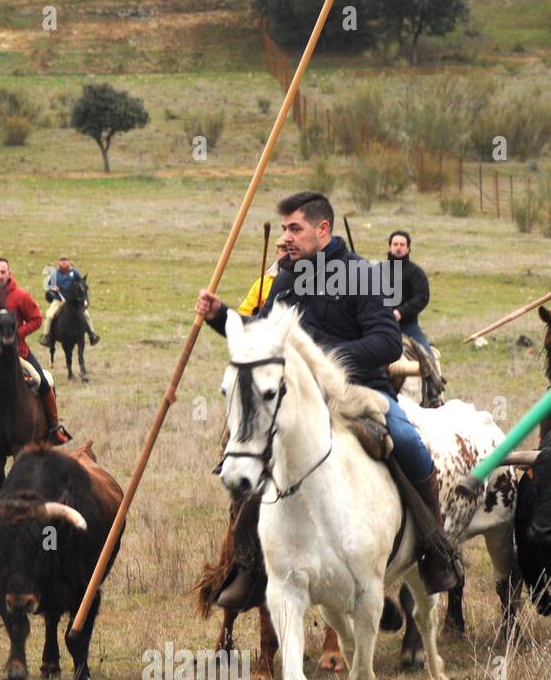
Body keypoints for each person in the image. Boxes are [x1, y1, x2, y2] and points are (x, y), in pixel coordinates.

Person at [195, 191, 462, 602]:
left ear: (323, 230)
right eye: (284, 228)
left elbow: (387, 342)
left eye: (294, 228)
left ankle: (434, 549)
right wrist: (221, 316)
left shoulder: (364, 275)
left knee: (409, 442)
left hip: (360, 392)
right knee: (254, 453)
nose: (286, 237)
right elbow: (262, 334)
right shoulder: (286, 279)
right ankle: (249, 566)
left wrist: (320, 361)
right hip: (302, 400)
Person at [0, 256, 70, 452]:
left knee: (43, 382)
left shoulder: (21, 296)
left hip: (19, 352)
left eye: (3, 272)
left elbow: (36, 319)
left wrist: (15, 335)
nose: (0, 275)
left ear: (9, 273)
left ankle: (54, 427)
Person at [385, 230, 432, 351]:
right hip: (380, 324)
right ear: (390, 247)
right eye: (395, 244)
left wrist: (400, 312)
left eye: (402, 245)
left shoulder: (416, 273)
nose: (398, 248)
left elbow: (422, 297)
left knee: (426, 353)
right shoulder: (377, 270)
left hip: (408, 325)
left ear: (408, 249)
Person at [40, 254, 98, 350]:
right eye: (62, 260)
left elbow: (81, 283)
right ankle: (46, 337)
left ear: (69, 261)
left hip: (73, 301)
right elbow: (49, 286)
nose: (64, 262)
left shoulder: (74, 272)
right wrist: (53, 288)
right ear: (59, 262)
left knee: (86, 314)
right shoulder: (55, 273)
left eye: (65, 260)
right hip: (59, 300)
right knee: (49, 315)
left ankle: (92, 334)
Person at [238, 241, 288, 318]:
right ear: (277, 252)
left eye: (291, 250)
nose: (288, 254)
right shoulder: (263, 282)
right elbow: (245, 312)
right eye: (284, 250)